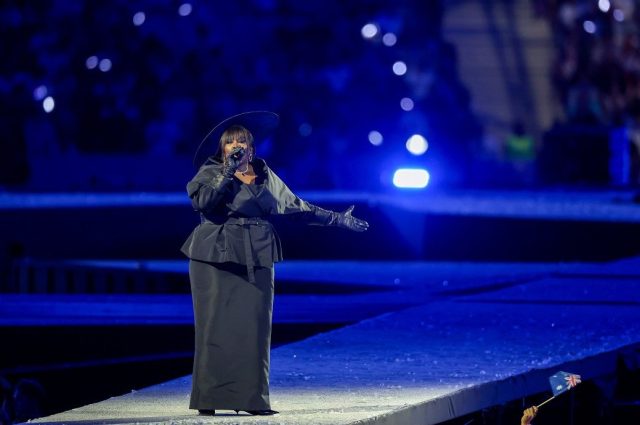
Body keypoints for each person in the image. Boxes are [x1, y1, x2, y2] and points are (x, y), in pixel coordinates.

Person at [180, 111, 369, 416]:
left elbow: (296, 207)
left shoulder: (264, 174)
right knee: (213, 329)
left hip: (256, 253)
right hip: (215, 256)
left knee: (255, 328)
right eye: (230, 143)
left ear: (251, 148)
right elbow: (202, 202)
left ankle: (252, 399)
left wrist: (337, 219)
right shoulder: (211, 171)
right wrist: (227, 172)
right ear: (222, 149)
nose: (236, 146)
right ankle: (208, 399)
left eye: (242, 141)